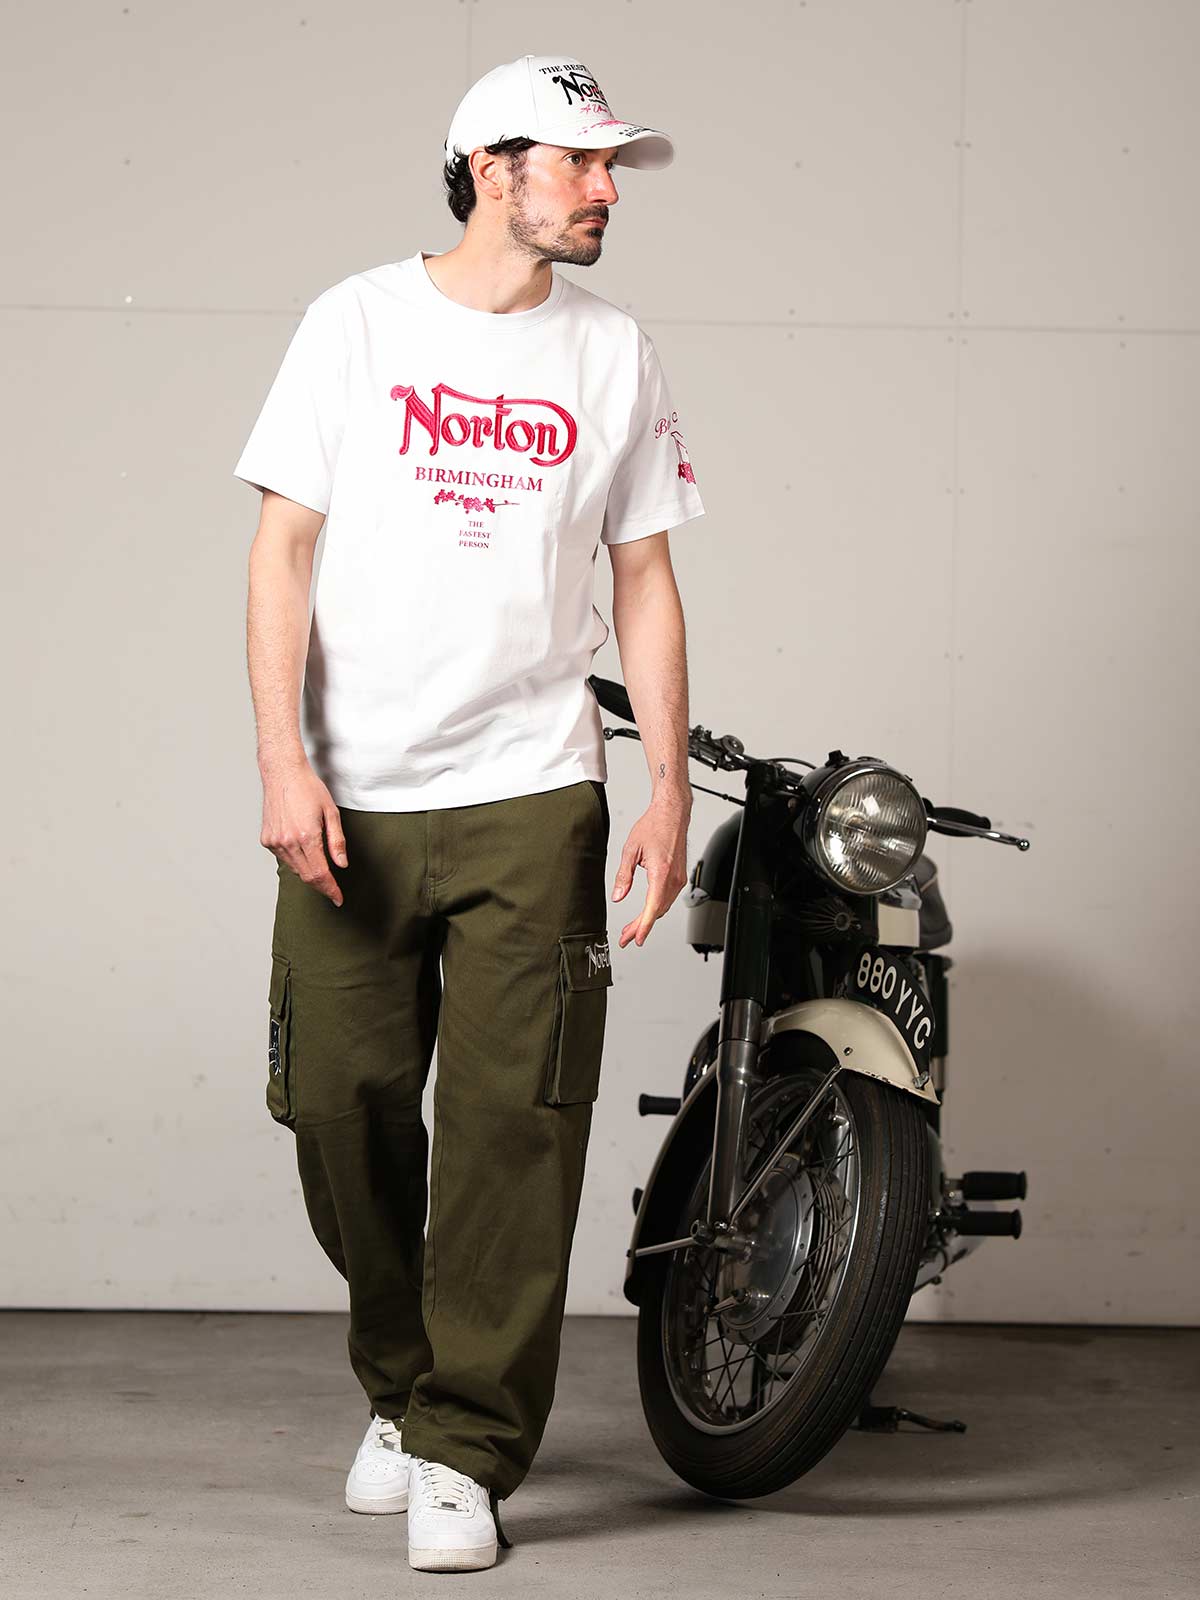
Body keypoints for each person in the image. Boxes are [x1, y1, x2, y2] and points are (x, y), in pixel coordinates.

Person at [233, 52, 705, 1573]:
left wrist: (663, 787)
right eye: (581, 163)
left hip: (534, 793)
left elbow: (646, 576)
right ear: (492, 169)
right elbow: (282, 551)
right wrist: (282, 760)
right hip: (354, 795)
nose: (606, 189)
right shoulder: (356, 324)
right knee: (340, 1109)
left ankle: (464, 1446)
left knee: (518, 1132)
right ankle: (404, 1384)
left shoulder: (614, 352)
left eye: (612, 165)